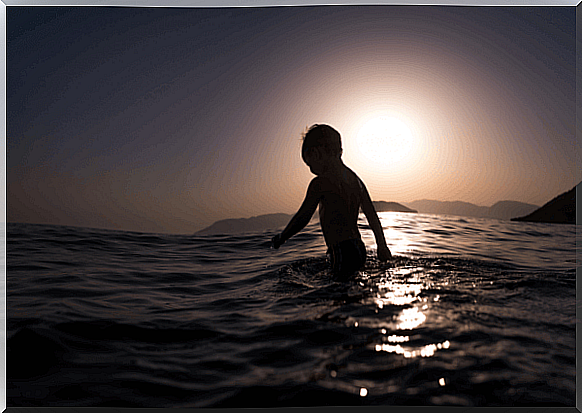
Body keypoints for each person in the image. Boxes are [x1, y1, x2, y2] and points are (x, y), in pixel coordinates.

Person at [272, 124, 392, 280]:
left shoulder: (320, 183)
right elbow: (372, 216)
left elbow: (304, 216)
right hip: (359, 248)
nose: (311, 170)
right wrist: (381, 246)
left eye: (310, 165)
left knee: (338, 296)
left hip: (341, 250)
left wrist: (283, 237)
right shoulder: (356, 181)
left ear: (317, 153)